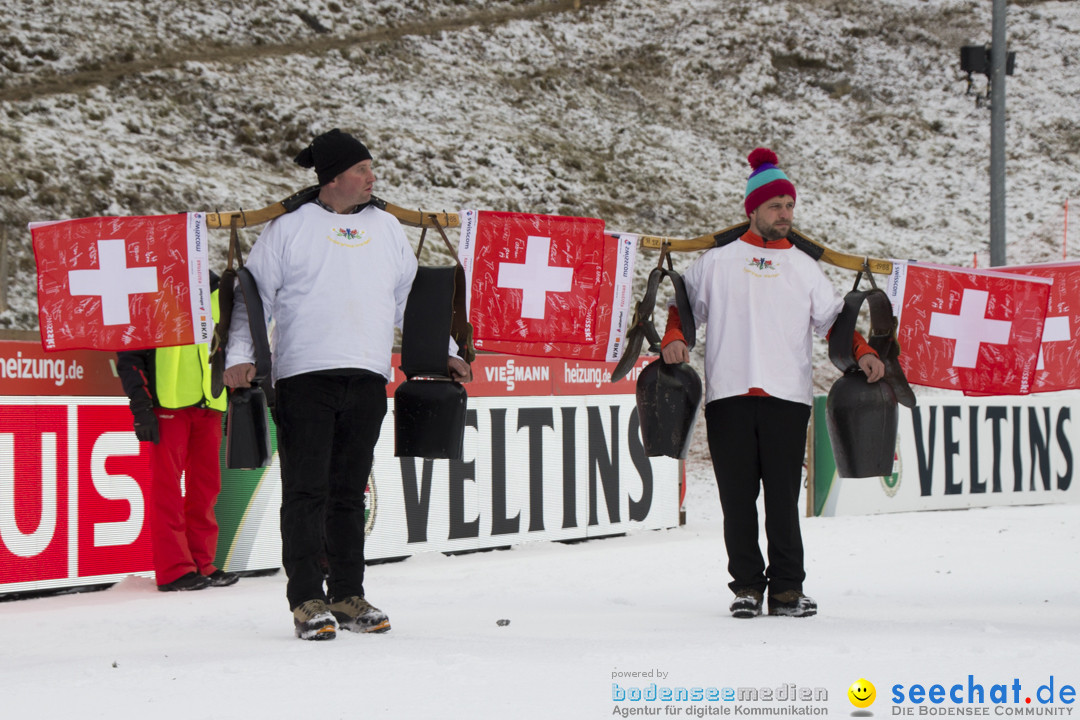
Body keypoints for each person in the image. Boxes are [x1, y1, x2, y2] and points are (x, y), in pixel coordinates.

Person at [223, 128, 472, 641]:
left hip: (367, 376)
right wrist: (241, 355)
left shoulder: (386, 229)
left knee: (348, 493)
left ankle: (347, 592)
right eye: (362, 170)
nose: (372, 178)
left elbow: (412, 304)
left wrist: (446, 351)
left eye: (370, 169)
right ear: (333, 178)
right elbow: (256, 299)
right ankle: (307, 599)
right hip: (303, 377)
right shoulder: (288, 228)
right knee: (306, 490)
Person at [660, 148, 884, 619]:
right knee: (737, 500)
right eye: (775, 206)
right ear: (753, 209)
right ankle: (745, 587)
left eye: (789, 205)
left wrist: (862, 351)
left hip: (787, 397)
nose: (785, 214)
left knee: (782, 500)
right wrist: (674, 337)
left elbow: (833, 324)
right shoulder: (717, 261)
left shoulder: (804, 267)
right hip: (729, 395)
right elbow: (683, 309)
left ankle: (786, 590)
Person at [117, 272, 239, 592]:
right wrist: (141, 407)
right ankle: (174, 570)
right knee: (167, 492)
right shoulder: (149, 292)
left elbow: (232, 344)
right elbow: (129, 353)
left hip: (210, 404)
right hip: (167, 405)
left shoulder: (219, 291)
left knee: (205, 490)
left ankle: (202, 562)